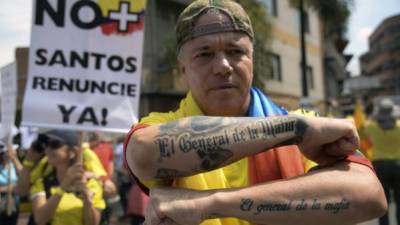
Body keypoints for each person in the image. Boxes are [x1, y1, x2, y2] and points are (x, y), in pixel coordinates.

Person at [124, 1, 387, 225]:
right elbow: (143, 155)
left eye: (236, 51)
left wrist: (210, 203)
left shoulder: (302, 120)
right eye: (204, 55)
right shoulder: (162, 124)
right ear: (183, 69)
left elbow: (370, 195)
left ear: (252, 59)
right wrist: (292, 130)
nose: (223, 66)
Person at [30, 130, 105, 225]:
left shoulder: (91, 183)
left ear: (72, 152)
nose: (47, 150)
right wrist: (63, 187)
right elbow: (40, 219)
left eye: (54, 144)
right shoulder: (41, 182)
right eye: (47, 145)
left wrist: (87, 198)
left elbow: (93, 223)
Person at [361, 98, 400, 225]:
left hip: (380, 166)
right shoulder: (399, 125)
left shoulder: (372, 126)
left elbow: (360, 133)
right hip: (398, 165)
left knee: (384, 201)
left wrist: (371, 118)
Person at [88, 132, 117, 225]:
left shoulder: (108, 146)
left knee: (107, 209)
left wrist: (109, 178)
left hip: (106, 184)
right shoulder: (87, 147)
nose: (98, 132)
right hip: (92, 183)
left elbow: (110, 162)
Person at [0, 142, 22, 225]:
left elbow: (23, 175)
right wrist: (11, 187)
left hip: (14, 201)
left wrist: (15, 158)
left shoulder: (13, 165)